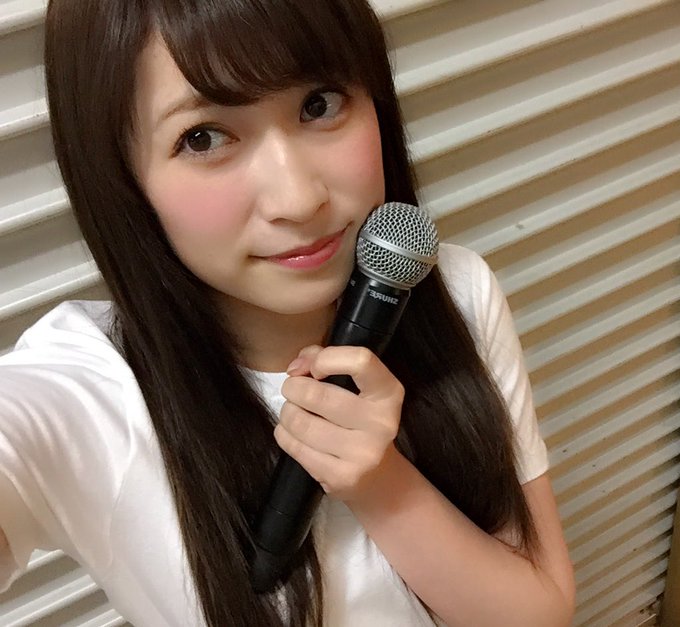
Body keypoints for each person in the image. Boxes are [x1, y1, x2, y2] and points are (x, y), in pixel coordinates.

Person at [0, 0, 576, 625]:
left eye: (319, 105)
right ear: (122, 178)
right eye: (203, 138)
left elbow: (537, 613)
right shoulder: (92, 396)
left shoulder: (458, 291)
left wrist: (380, 482)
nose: (299, 200)